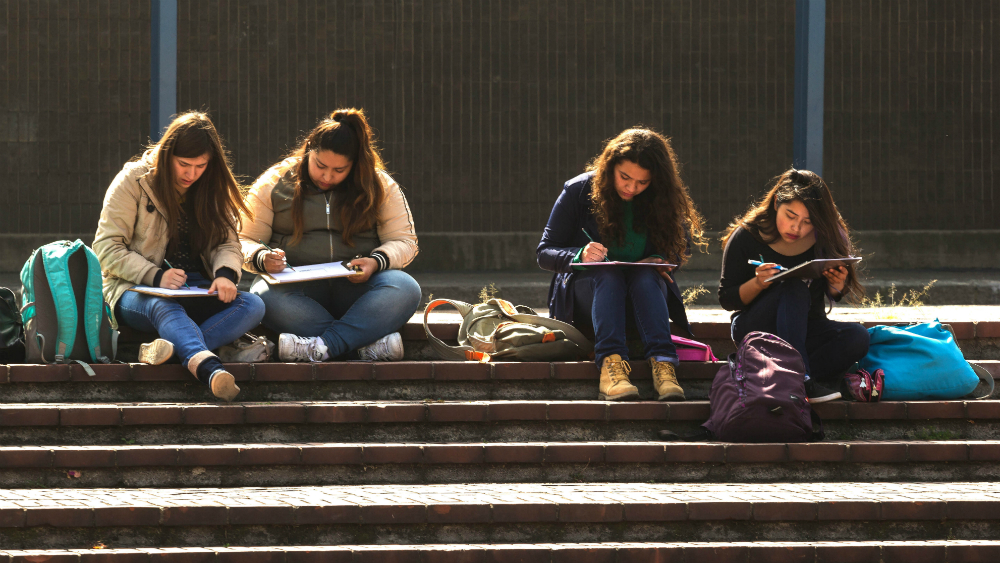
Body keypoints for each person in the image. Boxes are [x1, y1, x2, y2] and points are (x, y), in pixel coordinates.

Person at [93, 111, 266, 402]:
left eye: (200, 166)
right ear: (167, 154)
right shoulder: (133, 180)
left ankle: (170, 352)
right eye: (183, 164)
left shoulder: (212, 187)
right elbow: (106, 248)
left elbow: (227, 243)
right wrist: (156, 275)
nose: (191, 174)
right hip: (134, 289)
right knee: (164, 306)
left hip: (196, 288)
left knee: (253, 304)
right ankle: (210, 369)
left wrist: (225, 275)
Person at [537, 128, 707, 401]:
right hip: (589, 296)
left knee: (646, 276)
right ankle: (610, 367)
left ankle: (664, 366)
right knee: (608, 273)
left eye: (642, 182)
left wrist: (661, 259)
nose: (631, 188)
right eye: (624, 177)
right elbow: (544, 252)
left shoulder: (662, 197)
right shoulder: (579, 190)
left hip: (642, 296)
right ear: (610, 166)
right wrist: (579, 255)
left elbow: (680, 245)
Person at [239, 109, 421, 362]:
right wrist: (262, 257)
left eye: (339, 170)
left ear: (356, 164)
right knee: (262, 294)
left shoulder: (379, 186)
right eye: (320, 166)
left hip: (358, 291)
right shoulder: (273, 183)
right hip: (297, 291)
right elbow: (242, 239)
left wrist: (377, 261)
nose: (327, 176)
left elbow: (404, 241)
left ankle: (321, 347)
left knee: (405, 287)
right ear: (308, 151)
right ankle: (359, 346)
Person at [718, 168, 869, 403]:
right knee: (794, 287)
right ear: (777, 202)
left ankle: (778, 377)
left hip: (807, 329)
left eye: (808, 222)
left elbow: (835, 294)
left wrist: (836, 284)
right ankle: (802, 380)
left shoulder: (826, 238)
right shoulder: (747, 235)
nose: (796, 228)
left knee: (857, 336)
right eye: (790, 215)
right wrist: (758, 283)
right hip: (758, 330)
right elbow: (728, 300)